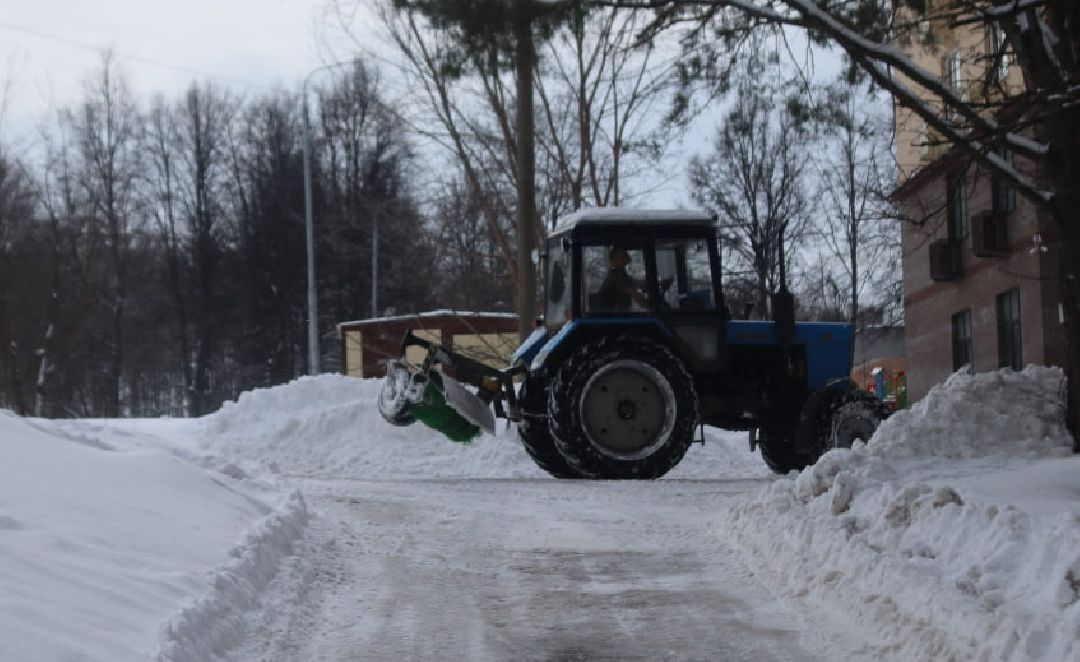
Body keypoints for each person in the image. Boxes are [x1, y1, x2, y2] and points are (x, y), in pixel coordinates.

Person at [597, 246, 649, 311]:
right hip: (613, 315)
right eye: (622, 256)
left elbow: (636, 283)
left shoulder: (621, 273)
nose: (627, 257)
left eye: (625, 255)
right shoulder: (616, 275)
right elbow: (634, 293)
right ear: (614, 260)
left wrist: (652, 284)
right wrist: (651, 306)